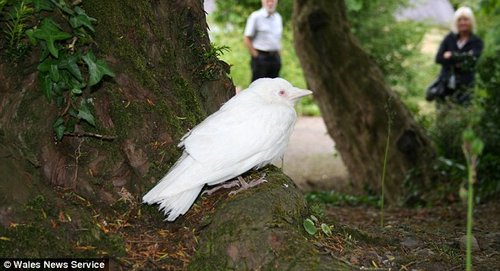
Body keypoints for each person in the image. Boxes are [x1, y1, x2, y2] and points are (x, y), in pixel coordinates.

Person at [434, 6, 483, 105]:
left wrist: (451, 55)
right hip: (445, 86)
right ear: (456, 22)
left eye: (465, 19)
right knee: (443, 115)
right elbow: (439, 58)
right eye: (459, 20)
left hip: (465, 87)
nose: (462, 22)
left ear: (471, 22)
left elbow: (472, 60)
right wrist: (462, 58)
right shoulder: (449, 38)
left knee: (462, 114)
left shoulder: (477, 41)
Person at [244, 0, 283, 82]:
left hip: (275, 58)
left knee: (274, 88)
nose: (270, 3)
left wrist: (279, 56)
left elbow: (278, 38)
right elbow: (247, 38)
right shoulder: (255, 16)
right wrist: (256, 56)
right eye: (268, 1)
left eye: (272, 1)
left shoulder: (278, 17)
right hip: (261, 58)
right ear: (262, 1)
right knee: (258, 88)